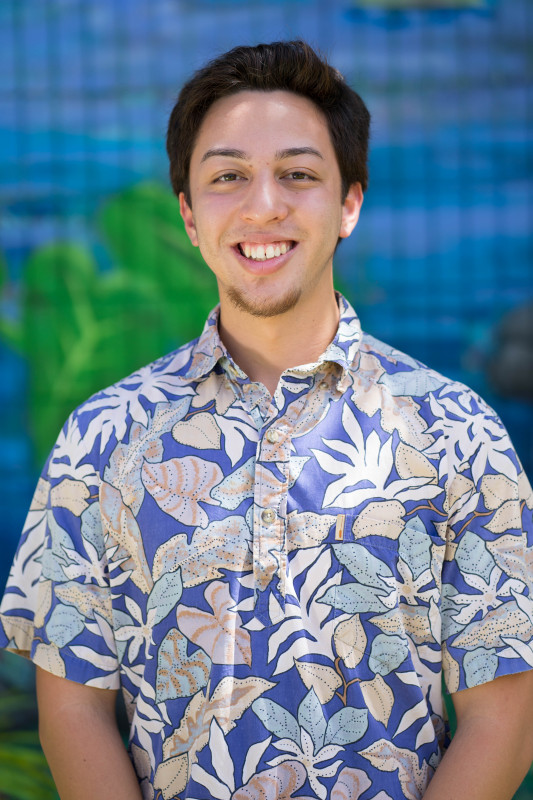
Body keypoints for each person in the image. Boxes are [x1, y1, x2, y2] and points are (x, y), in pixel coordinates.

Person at [1, 40, 532, 800]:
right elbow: (73, 706)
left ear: (349, 201)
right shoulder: (103, 435)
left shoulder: (457, 429)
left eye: (298, 175)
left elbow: (502, 717)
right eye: (226, 177)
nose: (262, 205)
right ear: (186, 213)